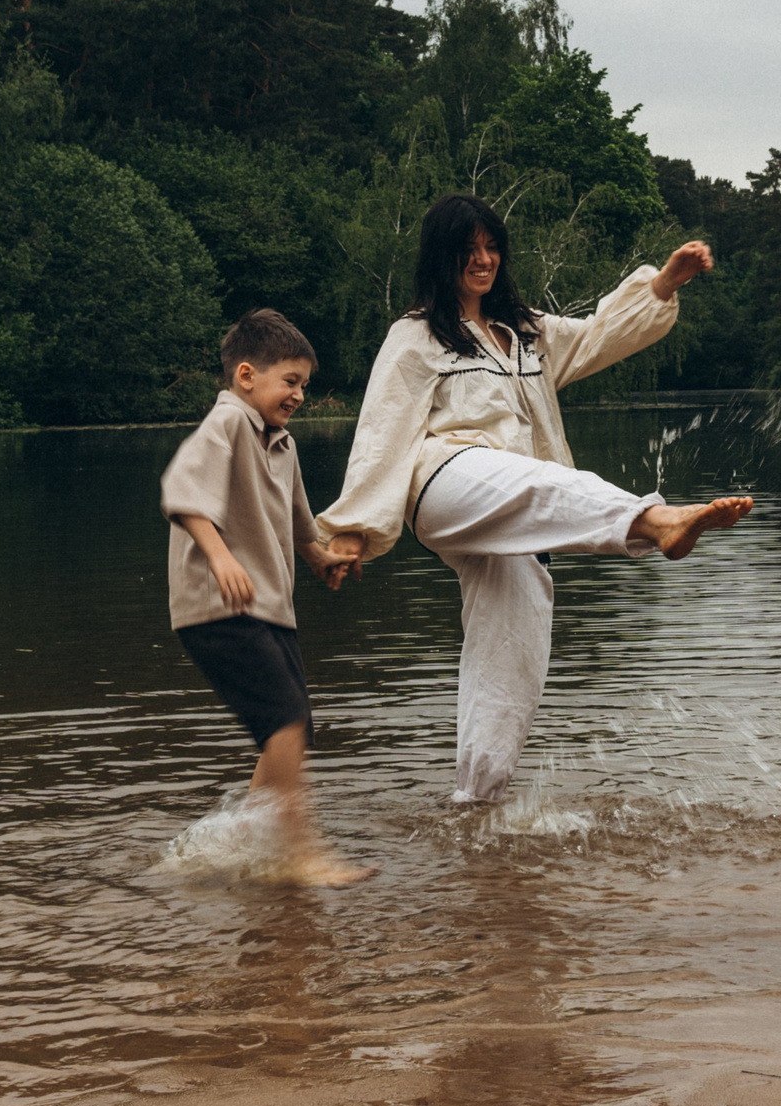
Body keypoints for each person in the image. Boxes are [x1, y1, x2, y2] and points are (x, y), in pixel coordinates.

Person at [318, 194, 754, 805]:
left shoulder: (527, 333)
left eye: (492, 247)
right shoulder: (415, 336)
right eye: (469, 250)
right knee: (537, 479)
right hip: (446, 481)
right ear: (443, 258)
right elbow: (381, 429)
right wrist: (353, 530)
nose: (483, 260)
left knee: (514, 652)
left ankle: (476, 805)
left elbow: (599, 336)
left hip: (519, 507)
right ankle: (655, 522)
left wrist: (662, 283)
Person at [160, 308, 373, 885]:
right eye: (291, 381)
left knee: (293, 725)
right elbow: (182, 492)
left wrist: (321, 558)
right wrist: (221, 556)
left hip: (267, 608)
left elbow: (301, 524)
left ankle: (240, 845)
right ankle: (296, 854)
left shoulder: (281, 444)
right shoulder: (227, 422)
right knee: (284, 725)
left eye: (304, 383)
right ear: (247, 376)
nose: (300, 394)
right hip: (219, 606)